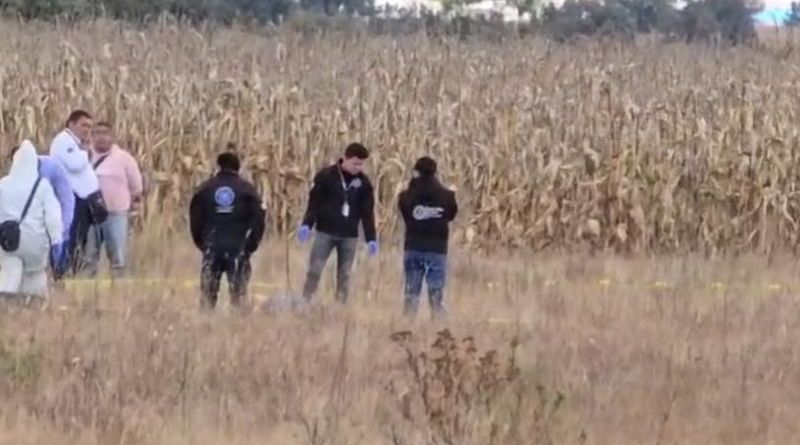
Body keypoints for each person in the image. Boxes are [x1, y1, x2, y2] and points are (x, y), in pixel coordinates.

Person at [297, 143, 378, 303]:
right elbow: (314, 204)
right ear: (345, 159)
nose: (358, 167)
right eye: (355, 163)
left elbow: (367, 213)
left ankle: (340, 306)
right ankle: (306, 300)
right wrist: (307, 224)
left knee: (345, 274)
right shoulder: (326, 176)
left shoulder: (364, 183)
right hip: (325, 232)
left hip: (349, 236)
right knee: (315, 269)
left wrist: (371, 238)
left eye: (361, 164)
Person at [189, 151, 266, 309]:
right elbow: (259, 219)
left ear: (219, 165)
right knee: (238, 296)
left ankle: (206, 321)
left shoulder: (205, 189)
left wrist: (203, 244)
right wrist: (250, 246)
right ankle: (237, 322)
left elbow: (195, 220)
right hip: (238, 248)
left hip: (212, 247)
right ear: (238, 167)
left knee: (208, 296)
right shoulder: (247, 190)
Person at [0, 141, 63, 300]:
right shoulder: (42, 186)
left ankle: (6, 303)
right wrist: (56, 240)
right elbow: (53, 216)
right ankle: (34, 305)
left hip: (8, 241)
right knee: (35, 276)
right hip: (35, 242)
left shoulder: (3, 185)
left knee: (9, 273)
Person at [398, 157, 457, 319]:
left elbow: (405, 214)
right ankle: (438, 324)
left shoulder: (406, 196)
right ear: (435, 173)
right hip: (437, 249)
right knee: (436, 292)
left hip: (413, 247)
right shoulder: (447, 196)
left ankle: (407, 323)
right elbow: (451, 215)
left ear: (416, 172)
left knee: (411, 292)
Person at [85, 122, 143, 277]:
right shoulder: (84, 157)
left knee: (118, 258)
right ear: (92, 136)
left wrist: (133, 206)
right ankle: (86, 289)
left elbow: (136, 186)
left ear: (112, 136)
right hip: (90, 215)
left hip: (116, 214)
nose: (102, 137)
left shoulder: (124, 158)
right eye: (98, 133)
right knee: (88, 258)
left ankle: (118, 289)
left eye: (105, 133)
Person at [49, 109, 103, 275]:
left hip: (84, 199)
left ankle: (75, 271)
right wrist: (85, 151)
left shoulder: (76, 143)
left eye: (90, 127)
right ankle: (64, 272)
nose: (87, 130)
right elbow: (74, 164)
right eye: (83, 125)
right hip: (73, 199)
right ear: (71, 124)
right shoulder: (63, 141)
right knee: (72, 238)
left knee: (82, 239)